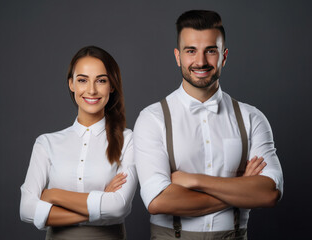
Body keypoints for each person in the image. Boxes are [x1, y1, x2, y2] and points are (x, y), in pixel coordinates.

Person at [134, 10, 283, 239]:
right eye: (191, 51)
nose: (201, 61)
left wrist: (195, 180)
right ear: (178, 56)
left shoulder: (252, 118)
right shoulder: (152, 118)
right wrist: (241, 187)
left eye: (210, 51)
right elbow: (157, 201)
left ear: (224, 56)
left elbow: (269, 193)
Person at [20, 46, 137, 240]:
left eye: (101, 80)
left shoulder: (128, 139)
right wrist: (99, 203)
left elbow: (118, 206)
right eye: (82, 80)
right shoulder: (47, 143)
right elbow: (26, 209)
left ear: (112, 86)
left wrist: (54, 195)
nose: (91, 90)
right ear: (71, 84)